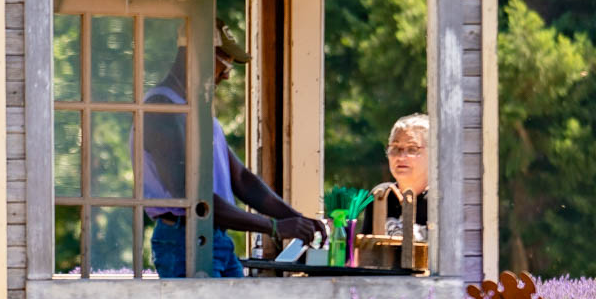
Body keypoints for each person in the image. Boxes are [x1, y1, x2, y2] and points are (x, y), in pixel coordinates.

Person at [143, 21, 329, 278]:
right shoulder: (162, 109)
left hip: (214, 238)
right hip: (184, 240)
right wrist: (274, 227)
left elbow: (241, 179)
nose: (227, 75)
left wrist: (297, 221)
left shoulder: (195, 110)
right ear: (196, 52)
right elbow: (195, 197)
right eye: (225, 63)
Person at [360, 113, 430, 238]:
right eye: (395, 148)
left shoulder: (439, 201)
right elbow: (364, 253)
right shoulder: (381, 196)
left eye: (412, 149)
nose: (400, 157)